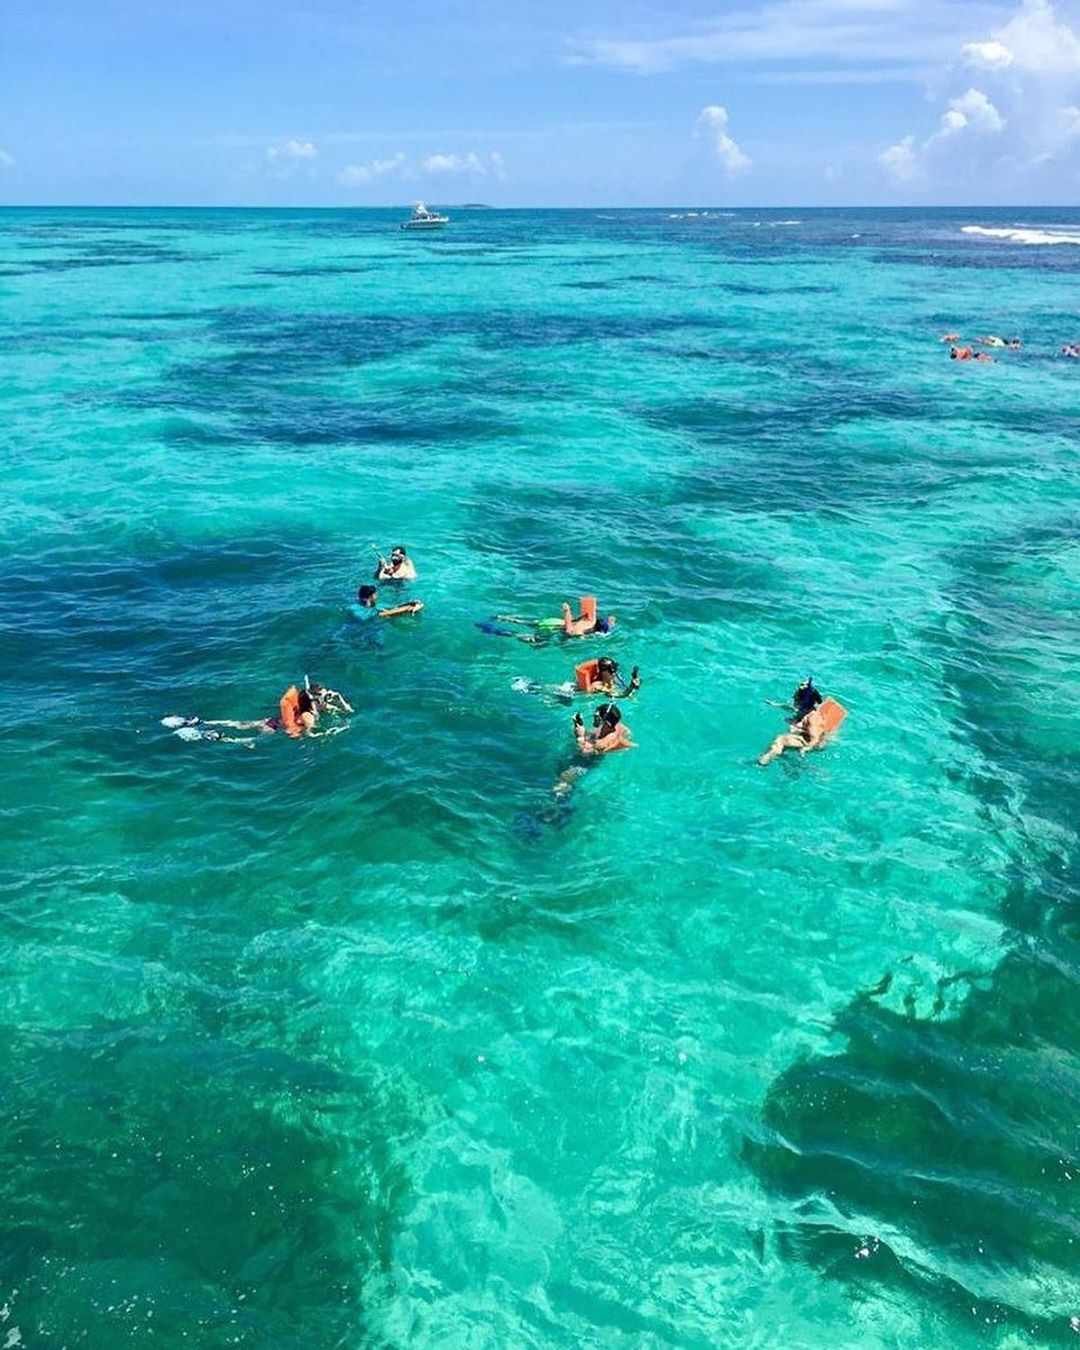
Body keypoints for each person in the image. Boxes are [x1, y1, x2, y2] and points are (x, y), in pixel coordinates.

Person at [757, 706, 828, 766]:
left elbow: (814, 738)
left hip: (811, 743)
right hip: (810, 738)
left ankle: (762, 762)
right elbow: (791, 708)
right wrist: (776, 705)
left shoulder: (811, 720)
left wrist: (805, 749)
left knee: (781, 739)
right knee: (784, 745)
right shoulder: (810, 712)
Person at [350, 584, 424, 622]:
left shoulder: (354, 606)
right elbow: (389, 613)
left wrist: (410, 603)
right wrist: (409, 608)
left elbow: (394, 607)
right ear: (371, 596)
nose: (377, 595)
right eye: (376, 594)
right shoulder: (367, 611)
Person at [575, 656, 640, 697]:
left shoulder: (608, 671)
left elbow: (617, 684)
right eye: (611, 673)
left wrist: (631, 686)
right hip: (587, 686)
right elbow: (588, 694)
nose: (613, 675)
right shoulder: (595, 685)